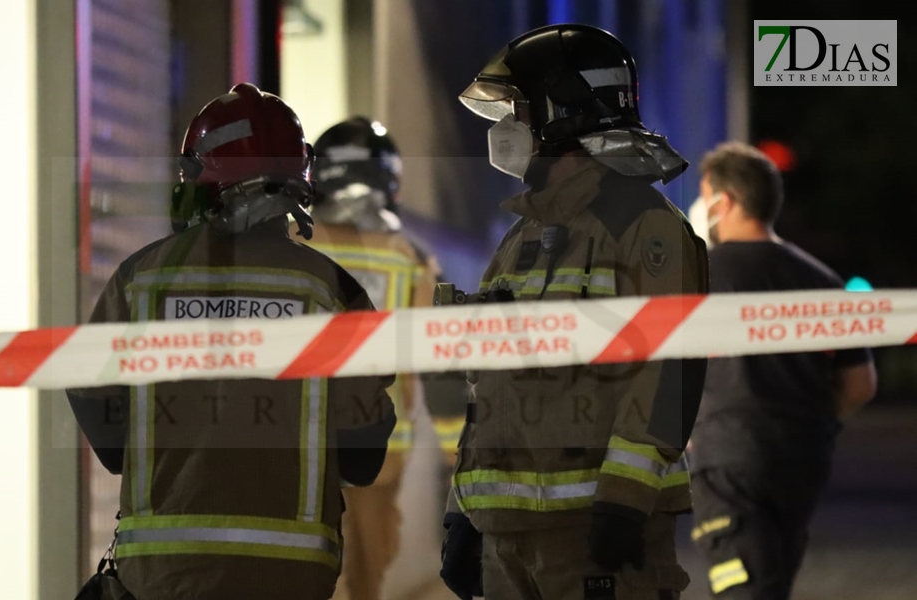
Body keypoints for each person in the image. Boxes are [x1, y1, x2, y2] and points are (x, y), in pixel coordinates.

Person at [66, 83, 397, 600]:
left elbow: (98, 411)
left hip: (162, 574)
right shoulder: (331, 290)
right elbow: (363, 455)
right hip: (293, 575)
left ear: (206, 178)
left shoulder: (144, 278)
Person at [437, 24, 709, 600]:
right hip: (505, 538)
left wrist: (625, 502)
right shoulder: (520, 237)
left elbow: (671, 374)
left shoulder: (647, 226)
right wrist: (461, 511)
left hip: (595, 533)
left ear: (564, 112)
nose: (506, 128)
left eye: (516, 109)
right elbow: (486, 386)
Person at [685, 141, 878, 599]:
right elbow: (860, 383)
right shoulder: (822, 281)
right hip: (802, 459)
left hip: (727, 460)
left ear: (724, 202)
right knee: (770, 582)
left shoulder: (695, 279)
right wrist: (808, 422)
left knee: (744, 589)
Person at [299, 117, 450, 600]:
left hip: (294, 438)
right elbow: (440, 358)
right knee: (367, 577)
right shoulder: (411, 258)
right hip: (380, 447)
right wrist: (455, 449)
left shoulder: (289, 246)